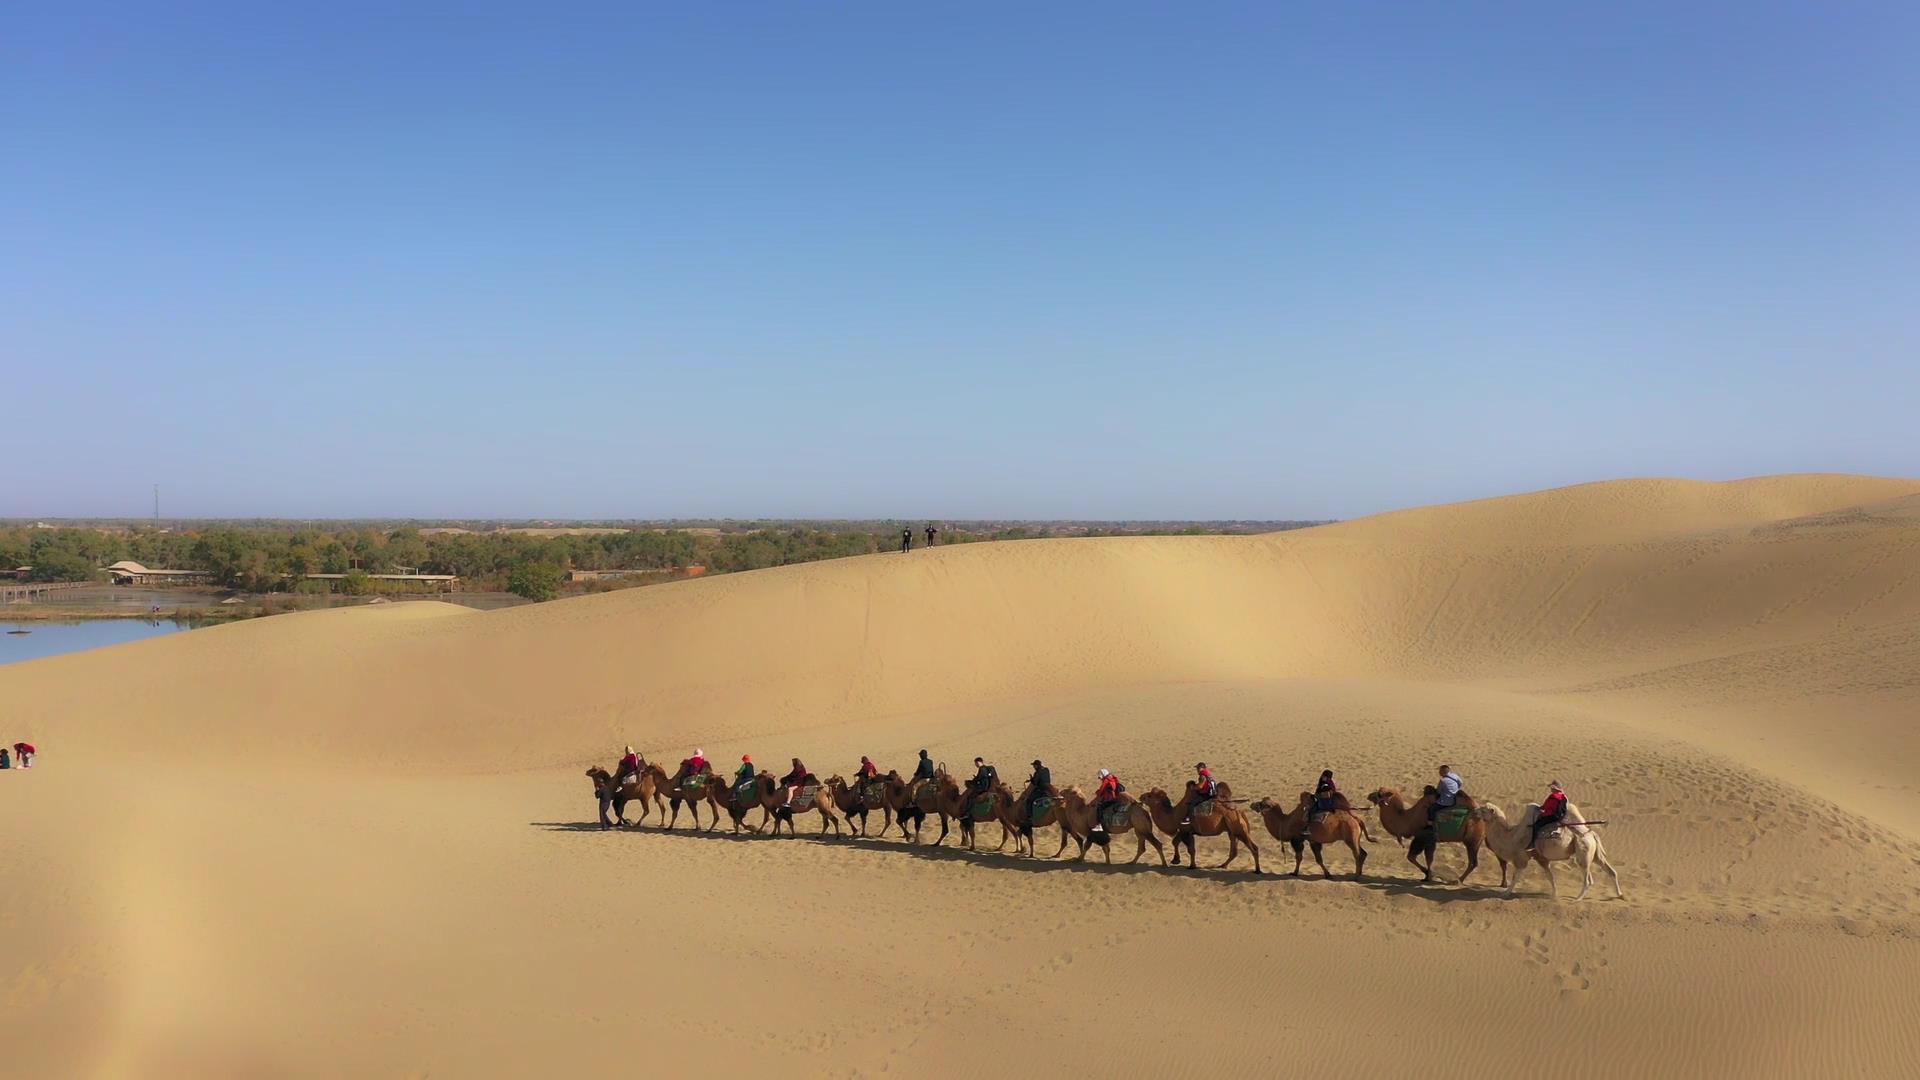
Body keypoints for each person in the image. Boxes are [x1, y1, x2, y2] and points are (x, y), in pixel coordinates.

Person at [1531, 781, 1569, 851]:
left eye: (1551, 788)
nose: (1551, 789)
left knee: (1536, 825)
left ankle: (1533, 845)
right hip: (1562, 817)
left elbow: (1548, 808)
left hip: (1553, 817)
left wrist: (1542, 815)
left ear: (1554, 788)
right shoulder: (1564, 797)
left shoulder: (1553, 797)